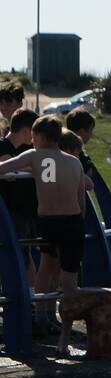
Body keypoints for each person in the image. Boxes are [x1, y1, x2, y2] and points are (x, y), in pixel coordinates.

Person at [0, 115, 86, 355]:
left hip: (48, 223)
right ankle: (64, 340)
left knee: (46, 267)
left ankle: (39, 318)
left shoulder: (34, 155)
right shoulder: (74, 162)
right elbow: (81, 200)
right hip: (73, 223)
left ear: (38, 136)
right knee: (69, 282)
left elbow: (4, 168)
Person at [0, 109, 38, 289]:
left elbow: (45, 170)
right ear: (25, 131)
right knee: (18, 256)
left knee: (26, 254)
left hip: (27, 211)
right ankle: (25, 298)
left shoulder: (29, 151)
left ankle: (31, 298)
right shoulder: (2, 146)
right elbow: (6, 165)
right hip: (9, 211)